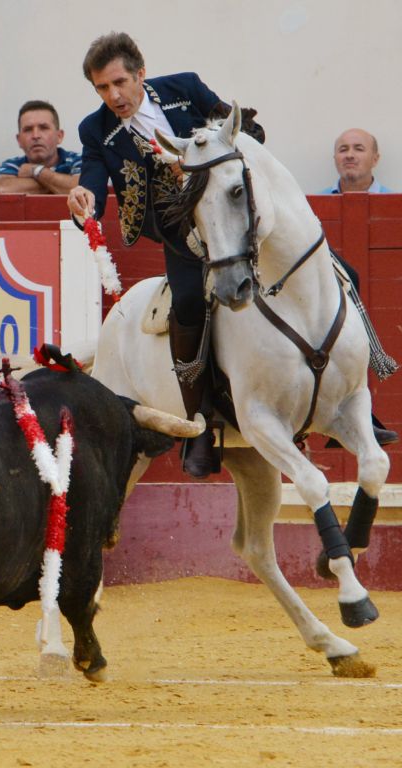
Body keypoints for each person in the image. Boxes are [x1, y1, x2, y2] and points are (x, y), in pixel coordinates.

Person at [67, 32, 266, 479]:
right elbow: (93, 188)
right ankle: (197, 427)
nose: (113, 95)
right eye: (102, 88)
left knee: (325, 268)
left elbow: (246, 135)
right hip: (182, 235)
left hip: (233, 225)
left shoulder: (185, 89)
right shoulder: (95, 130)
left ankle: (356, 403)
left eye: (119, 82)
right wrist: (83, 201)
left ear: (140, 74)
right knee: (189, 303)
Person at [0, 100, 82, 194]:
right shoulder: (13, 165)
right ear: (19, 140)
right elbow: (4, 189)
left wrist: (36, 171)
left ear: (59, 136)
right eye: (28, 129)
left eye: (43, 128)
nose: (35, 135)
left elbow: (83, 187)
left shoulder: (78, 160)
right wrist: (60, 184)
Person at [320, 128, 392, 194]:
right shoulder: (313, 204)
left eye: (359, 149)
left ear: (375, 159)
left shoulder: (395, 203)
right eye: (343, 150)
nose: (349, 155)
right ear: (335, 159)